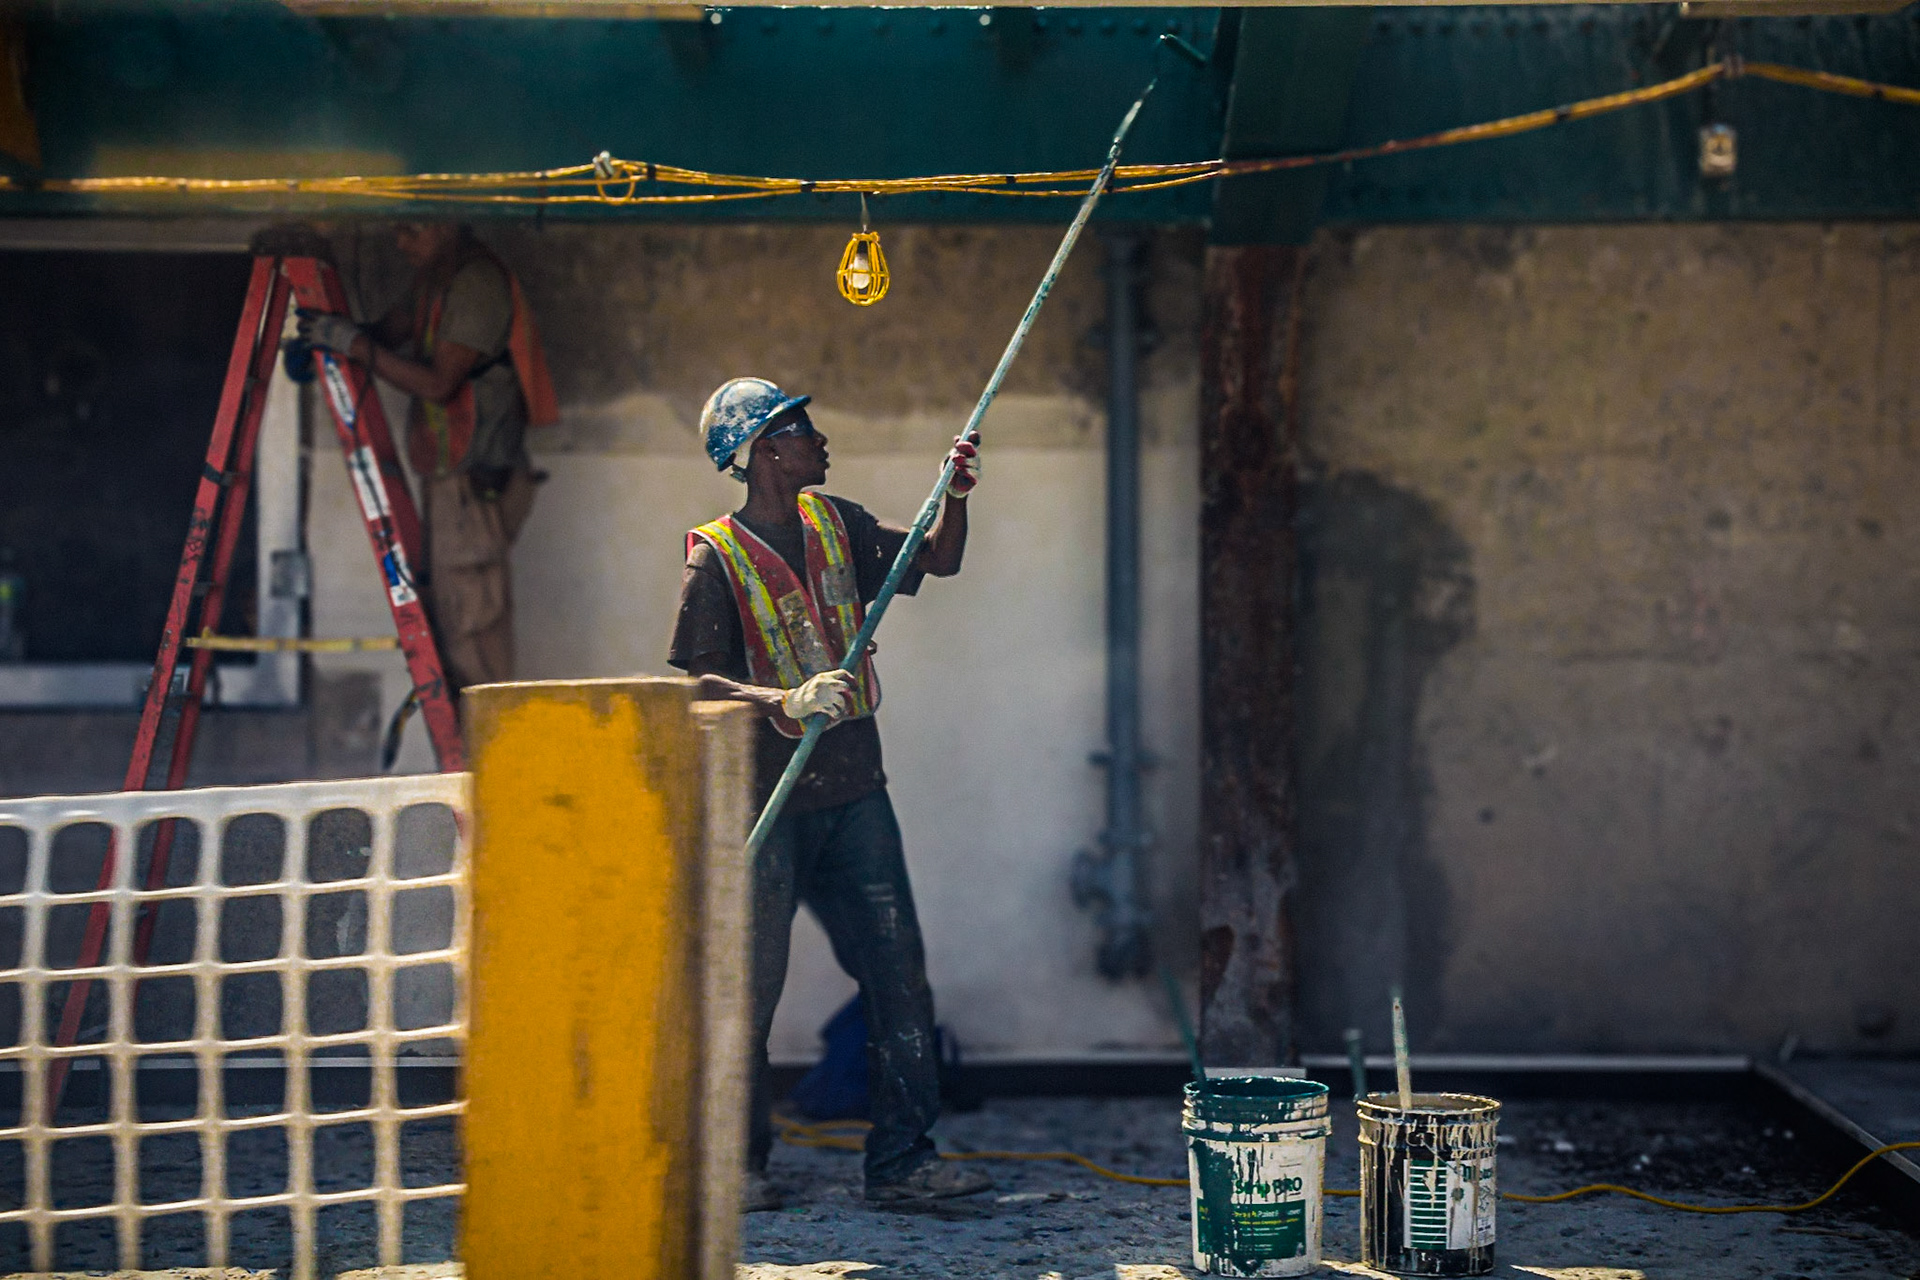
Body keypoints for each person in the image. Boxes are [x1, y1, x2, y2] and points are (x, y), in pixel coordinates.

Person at [668, 376, 989, 1210]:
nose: (818, 440)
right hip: (763, 805)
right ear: (765, 452)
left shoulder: (835, 523)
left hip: (853, 793)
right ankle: (736, 1167)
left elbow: (937, 558)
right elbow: (698, 687)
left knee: (898, 975)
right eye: (800, 429)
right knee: (747, 992)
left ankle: (903, 1162)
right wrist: (784, 701)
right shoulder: (716, 555)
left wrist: (954, 496)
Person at [298, 222, 558, 692]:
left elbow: (440, 384)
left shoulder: (477, 282)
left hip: (473, 485)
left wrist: (354, 345)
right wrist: (328, 337)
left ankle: (484, 736)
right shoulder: (438, 277)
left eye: (413, 230)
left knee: (473, 628)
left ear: (448, 224)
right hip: (450, 478)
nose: (401, 243)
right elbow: (388, 332)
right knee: (452, 623)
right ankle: (468, 731)